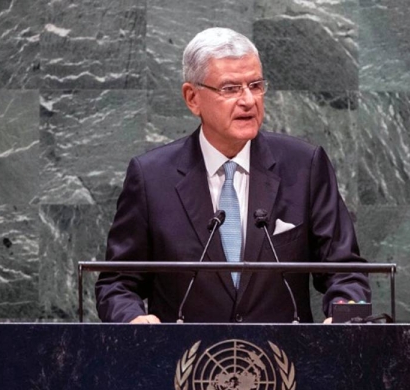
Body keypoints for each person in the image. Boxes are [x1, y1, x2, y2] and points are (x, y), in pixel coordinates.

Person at [95, 27, 370, 323]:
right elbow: (116, 284)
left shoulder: (305, 165)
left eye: (255, 85)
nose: (248, 100)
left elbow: (345, 270)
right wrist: (132, 320)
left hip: (286, 361)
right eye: (230, 88)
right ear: (192, 98)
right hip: (185, 363)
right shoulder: (151, 178)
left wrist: (344, 316)